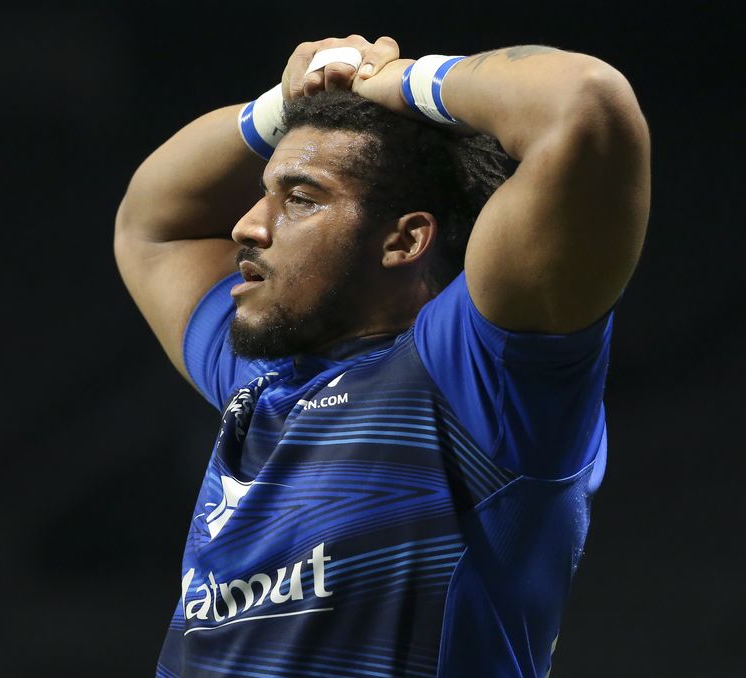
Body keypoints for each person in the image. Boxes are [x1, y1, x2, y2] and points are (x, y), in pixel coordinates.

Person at [115, 34, 650, 678]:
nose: (248, 226)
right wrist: (286, 103)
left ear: (404, 240)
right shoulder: (259, 380)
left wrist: (398, 81)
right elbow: (152, 220)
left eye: (300, 198)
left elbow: (585, 102)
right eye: (264, 193)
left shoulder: (474, 372)